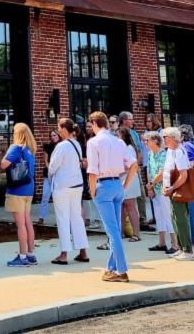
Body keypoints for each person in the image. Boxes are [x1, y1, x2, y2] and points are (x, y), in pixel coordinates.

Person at [86, 111, 131, 283]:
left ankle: (121, 270)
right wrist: (124, 184)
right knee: (115, 230)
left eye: (91, 125)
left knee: (113, 233)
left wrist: (92, 191)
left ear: (95, 124)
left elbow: (92, 171)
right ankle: (111, 269)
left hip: (103, 185)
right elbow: (132, 165)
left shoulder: (94, 142)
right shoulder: (118, 141)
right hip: (117, 184)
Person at [47, 118, 89, 265]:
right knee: (76, 218)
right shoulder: (76, 143)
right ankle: (83, 251)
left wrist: (50, 176)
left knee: (63, 219)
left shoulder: (61, 146)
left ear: (64, 128)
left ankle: (64, 253)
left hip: (62, 185)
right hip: (77, 184)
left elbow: (52, 167)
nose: (58, 130)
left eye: (59, 127)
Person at [1, 122, 38, 267]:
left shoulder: (15, 148)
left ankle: (22, 256)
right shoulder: (29, 150)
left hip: (17, 190)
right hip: (29, 189)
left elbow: (4, 164)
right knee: (28, 222)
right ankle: (31, 254)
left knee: (20, 224)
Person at [160, 127, 194, 260]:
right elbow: (167, 170)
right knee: (175, 218)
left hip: (177, 189)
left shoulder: (179, 152)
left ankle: (187, 250)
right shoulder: (170, 150)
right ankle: (180, 248)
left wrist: (172, 187)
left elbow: (183, 175)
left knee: (181, 219)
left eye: (165, 137)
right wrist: (166, 186)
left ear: (173, 138)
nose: (163, 140)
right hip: (170, 189)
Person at [143, 132, 177, 255]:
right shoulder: (150, 154)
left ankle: (175, 244)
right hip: (154, 189)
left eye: (147, 140)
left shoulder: (164, 154)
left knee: (168, 216)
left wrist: (151, 184)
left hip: (163, 189)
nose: (145, 143)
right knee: (159, 216)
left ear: (155, 141)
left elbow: (162, 172)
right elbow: (149, 170)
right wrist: (150, 187)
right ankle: (162, 243)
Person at [119, 112, 150, 230]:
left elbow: (139, 152)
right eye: (131, 119)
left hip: (132, 172)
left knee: (137, 199)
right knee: (122, 204)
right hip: (122, 175)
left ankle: (141, 223)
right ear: (124, 120)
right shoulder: (120, 136)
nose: (133, 121)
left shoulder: (133, 137)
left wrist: (135, 167)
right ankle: (124, 229)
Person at [116, 127, 142, 242]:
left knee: (130, 206)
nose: (116, 138)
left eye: (118, 135)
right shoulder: (121, 148)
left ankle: (136, 234)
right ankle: (120, 233)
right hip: (121, 179)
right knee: (120, 207)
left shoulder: (129, 148)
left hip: (129, 179)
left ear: (123, 136)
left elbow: (131, 165)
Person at [37, 128, 61, 224]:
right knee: (45, 195)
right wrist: (51, 170)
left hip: (59, 175)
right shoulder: (47, 146)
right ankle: (42, 217)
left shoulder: (62, 146)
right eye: (51, 136)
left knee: (58, 198)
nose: (53, 137)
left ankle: (59, 219)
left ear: (58, 135)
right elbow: (46, 160)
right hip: (49, 174)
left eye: (54, 135)